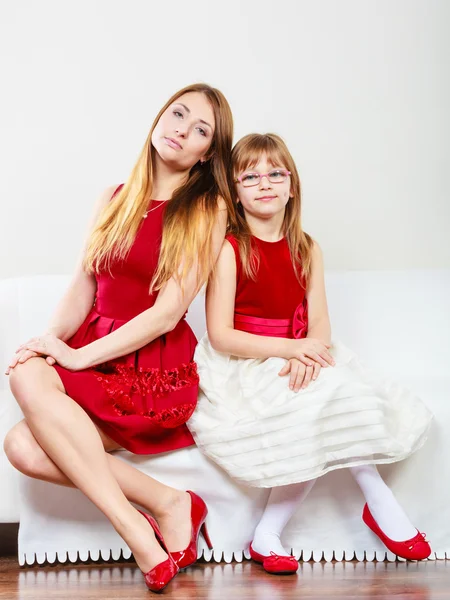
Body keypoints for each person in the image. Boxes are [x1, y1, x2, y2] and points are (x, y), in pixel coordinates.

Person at [4, 83, 235, 592]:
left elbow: (166, 314)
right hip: (91, 350)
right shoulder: (112, 198)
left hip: (148, 366)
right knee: (20, 433)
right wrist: (49, 340)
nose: (182, 129)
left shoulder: (207, 208)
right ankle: (162, 505)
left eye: (201, 130)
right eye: (178, 114)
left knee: (26, 438)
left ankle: (138, 527)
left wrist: (76, 356)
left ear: (207, 153)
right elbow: (83, 284)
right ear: (158, 118)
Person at [187, 133, 433, 575]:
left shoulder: (307, 247)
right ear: (236, 193)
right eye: (251, 176)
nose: (265, 184)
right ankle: (378, 505)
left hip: (300, 351)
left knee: (344, 394)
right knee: (312, 409)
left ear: (292, 186)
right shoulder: (229, 248)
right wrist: (291, 349)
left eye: (275, 174)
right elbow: (222, 335)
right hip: (245, 360)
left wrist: (309, 351)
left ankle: (269, 533)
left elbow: (319, 320)